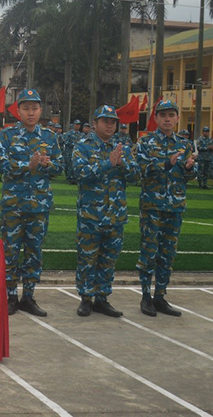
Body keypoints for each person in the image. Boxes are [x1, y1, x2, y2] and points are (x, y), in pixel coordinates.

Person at [0, 89, 63, 317]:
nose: (31, 112)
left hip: (39, 206)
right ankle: (11, 296)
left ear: (40, 110)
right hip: (14, 205)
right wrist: (28, 166)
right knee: (10, 251)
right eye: (26, 108)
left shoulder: (49, 137)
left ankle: (29, 296)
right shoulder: (7, 135)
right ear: (19, 111)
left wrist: (46, 165)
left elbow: (61, 167)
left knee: (34, 252)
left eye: (34, 108)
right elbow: (0, 165)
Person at [73, 106, 139, 317]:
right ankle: (85, 298)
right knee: (87, 258)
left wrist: (122, 164)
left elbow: (136, 175)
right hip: (91, 216)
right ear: (94, 123)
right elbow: (80, 173)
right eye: (105, 121)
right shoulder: (83, 146)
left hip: (115, 214)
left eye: (113, 121)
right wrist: (107, 163)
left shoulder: (124, 148)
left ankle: (102, 298)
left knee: (109, 259)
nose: (110, 125)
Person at [136, 99, 197, 317]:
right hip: (152, 207)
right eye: (163, 115)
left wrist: (190, 168)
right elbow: (140, 170)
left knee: (167, 254)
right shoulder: (146, 143)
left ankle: (160, 296)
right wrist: (166, 164)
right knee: (149, 253)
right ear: (156, 118)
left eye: (171, 115)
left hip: (175, 207)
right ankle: (145, 296)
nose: (167, 119)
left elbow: (189, 174)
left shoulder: (184, 144)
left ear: (177, 118)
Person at [64, 119, 82, 184]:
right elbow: (66, 141)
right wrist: (73, 144)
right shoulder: (69, 133)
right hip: (69, 151)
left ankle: (75, 178)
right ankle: (69, 178)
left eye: (79, 125)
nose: (77, 126)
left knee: (76, 164)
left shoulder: (80, 134)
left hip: (77, 152)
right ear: (74, 125)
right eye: (76, 124)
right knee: (69, 165)